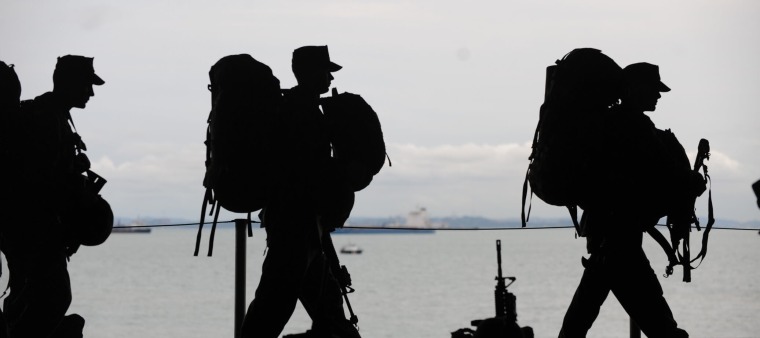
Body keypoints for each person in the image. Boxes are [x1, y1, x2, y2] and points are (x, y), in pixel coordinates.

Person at [558, 63, 699, 338]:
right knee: (663, 329)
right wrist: (691, 181)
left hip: (607, 237)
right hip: (619, 240)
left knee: (578, 323)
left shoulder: (611, 123)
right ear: (635, 89)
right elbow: (661, 172)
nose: (658, 96)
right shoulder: (633, 125)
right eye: (654, 90)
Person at [241, 46, 360, 338]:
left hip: (305, 227)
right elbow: (305, 173)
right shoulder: (298, 111)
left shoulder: (301, 108)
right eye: (326, 72)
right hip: (295, 225)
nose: (331, 79)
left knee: (327, 309)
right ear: (309, 73)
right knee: (275, 307)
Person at [1, 55, 104, 337]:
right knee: (54, 297)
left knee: (31, 298)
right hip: (34, 230)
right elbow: (39, 181)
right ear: (69, 83)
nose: (91, 92)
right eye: (87, 85)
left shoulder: (53, 114)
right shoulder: (47, 118)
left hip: (29, 229)